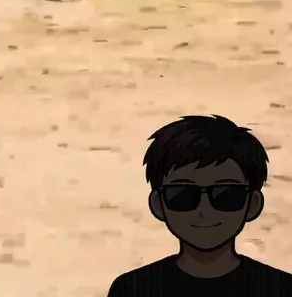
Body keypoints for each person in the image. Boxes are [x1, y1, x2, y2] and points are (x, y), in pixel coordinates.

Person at [107, 115, 292, 296]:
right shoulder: (132, 289)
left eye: (225, 195)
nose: (204, 210)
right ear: (158, 204)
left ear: (253, 203)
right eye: (183, 195)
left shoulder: (280, 288)